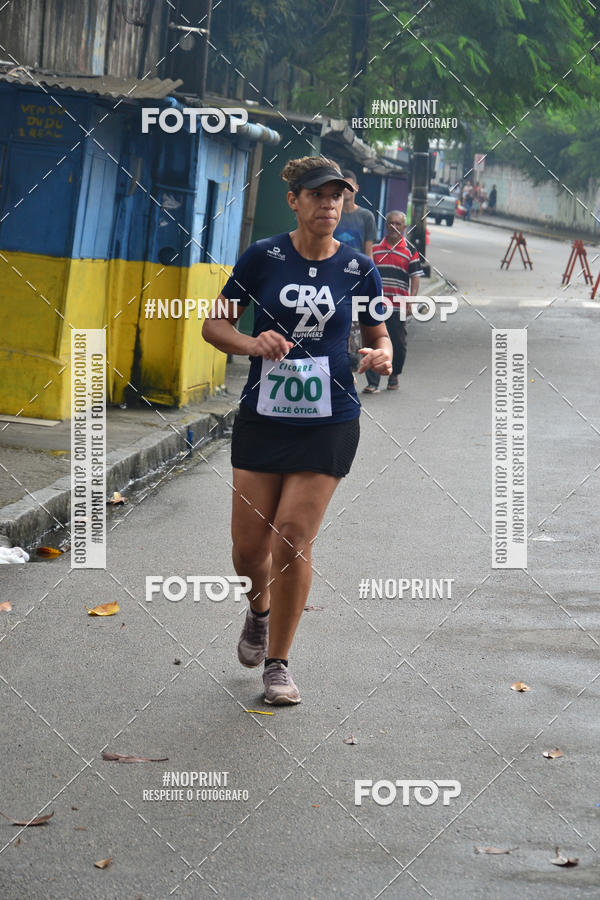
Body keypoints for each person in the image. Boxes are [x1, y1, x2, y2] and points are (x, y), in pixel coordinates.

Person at [202, 156, 392, 705]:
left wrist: (379, 356)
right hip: (264, 418)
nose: (328, 205)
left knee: (291, 536)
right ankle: (258, 612)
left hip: (330, 419)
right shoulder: (263, 257)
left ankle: (279, 666)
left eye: (338, 197)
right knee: (247, 550)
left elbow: (380, 335)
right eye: (317, 195)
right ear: (296, 200)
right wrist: (251, 344)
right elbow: (217, 323)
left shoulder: (358, 268)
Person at [363, 211, 423, 394]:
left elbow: (415, 278)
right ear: (386, 225)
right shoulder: (374, 250)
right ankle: (373, 382)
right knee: (373, 341)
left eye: (398, 224)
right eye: (390, 223)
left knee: (398, 343)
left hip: (398, 306)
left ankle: (394, 374)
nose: (393, 227)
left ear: (404, 228)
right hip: (376, 306)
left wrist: (411, 301)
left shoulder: (410, 251)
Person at [333, 169, 378, 371]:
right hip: (332, 273)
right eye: (342, 185)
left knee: (356, 323)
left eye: (349, 186)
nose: (346, 190)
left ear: (356, 188)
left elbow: (368, 252)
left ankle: (354, 359)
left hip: (356, 275)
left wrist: (368, 277)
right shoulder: (333, 214)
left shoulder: (366, 217)